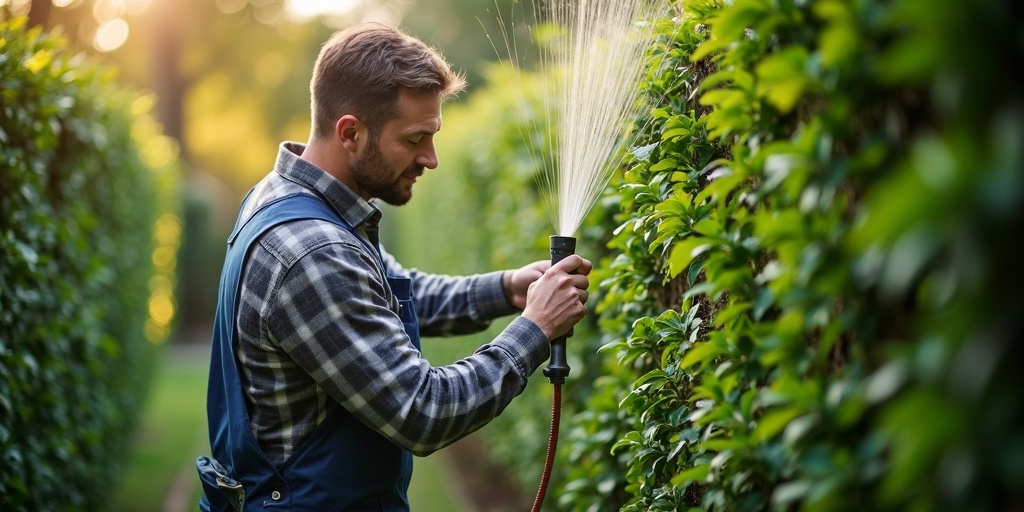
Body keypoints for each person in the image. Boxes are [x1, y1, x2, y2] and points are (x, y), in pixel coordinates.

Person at [195, 21, 592, 512]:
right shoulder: (312, 253)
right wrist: (534, 328)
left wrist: (508, 288)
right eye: (414, 139)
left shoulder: (288, 199)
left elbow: (389, 293)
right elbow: (423, 412)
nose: (431, 159)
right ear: (351, 132)